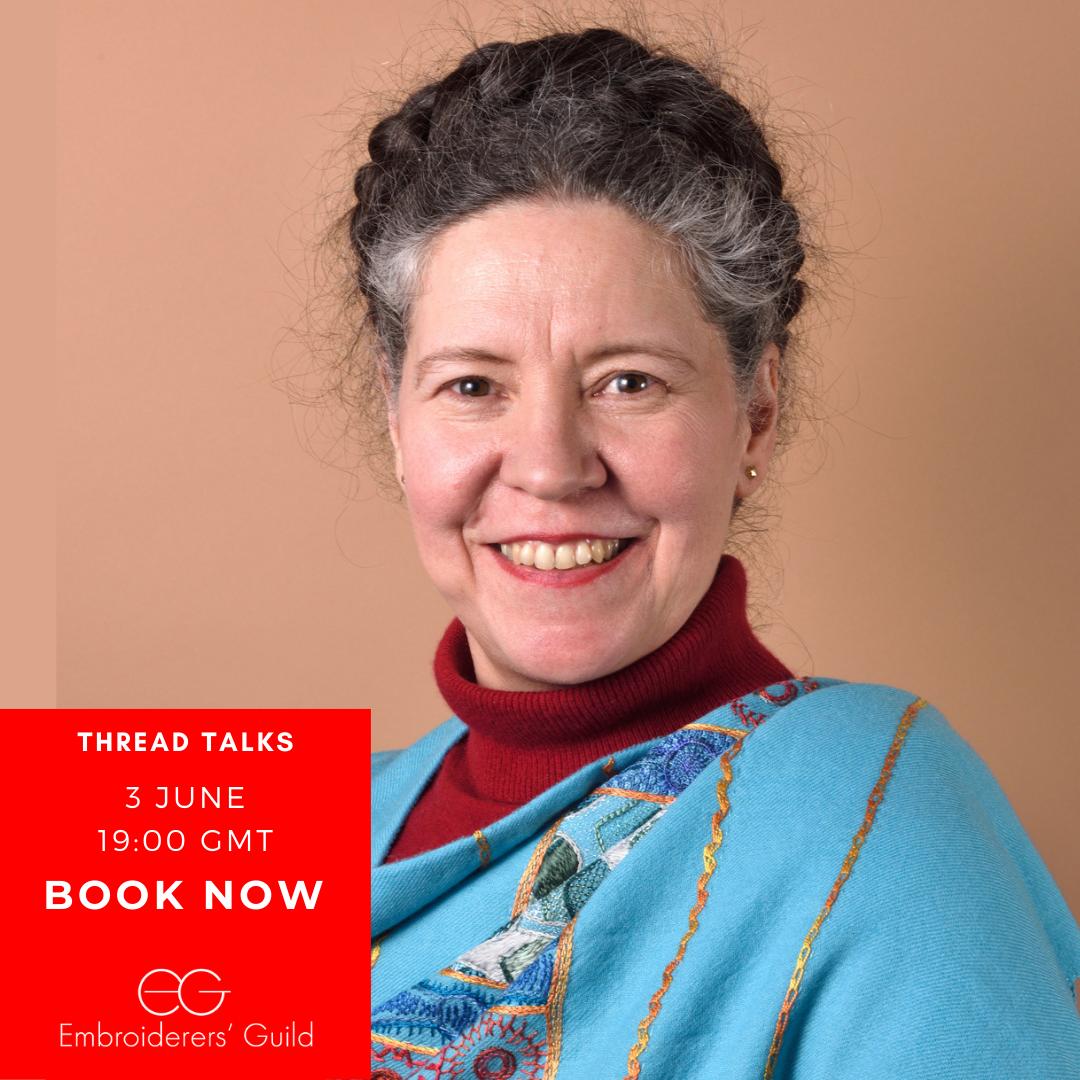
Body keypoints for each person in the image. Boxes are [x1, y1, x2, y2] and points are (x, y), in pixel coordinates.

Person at [353, 19, 1080, 1078]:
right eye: (473, 386)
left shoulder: (875, 814)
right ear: (396, 419)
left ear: (756, 415)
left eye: (629, 382)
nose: (552, 466)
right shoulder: (219, 838)